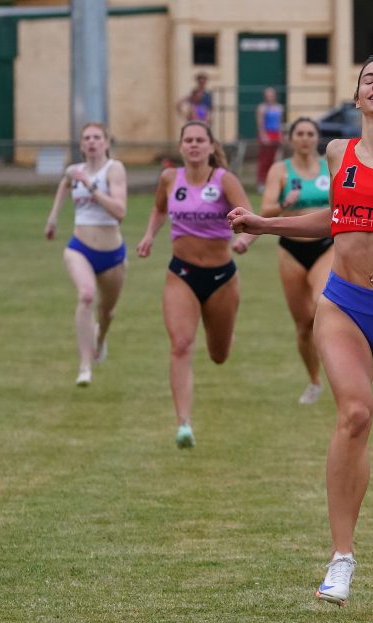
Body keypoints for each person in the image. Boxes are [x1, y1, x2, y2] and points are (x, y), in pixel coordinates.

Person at [229, 54, 373, 606]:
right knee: (355, 413)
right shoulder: (339, 152)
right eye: (369, 79)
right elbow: (334, 220)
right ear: (358, 97)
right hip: (341, 304)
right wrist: (266, 224)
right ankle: (341, 559)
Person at [137, 121, 255, 449]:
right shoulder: (168, 179)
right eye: (187, 140)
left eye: (199, 140)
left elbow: (250, 219)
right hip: (181, 274)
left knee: (219, 354)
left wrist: (244, 239)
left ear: (210, 146)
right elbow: (159, 208)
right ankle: (183, 424)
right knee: (181, 344)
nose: (193, 145)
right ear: (181, 146)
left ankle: (223, 335)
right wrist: (149, 235)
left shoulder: (224, 180)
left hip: (221, 278)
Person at [44, 122, 128, 387]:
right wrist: (53, 218)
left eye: (97, 137)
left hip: (112, 253)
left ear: (106, 142)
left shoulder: (114, 170)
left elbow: (120, 211)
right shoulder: (74, 171)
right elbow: (64, 185)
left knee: (107, 311)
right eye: (87, 138)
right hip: (79, 247)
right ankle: (84, 366)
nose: (92, 142)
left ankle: (100, 338)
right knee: (86, 295)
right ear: (81, 145)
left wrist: (91, 187)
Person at [260, 117, 334, 405]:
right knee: (303, 324)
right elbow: (266, 209)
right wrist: (285, 204)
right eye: (300, 133)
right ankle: (314, 381)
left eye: (310, 133)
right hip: (291, 249)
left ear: (317, 138)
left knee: (321, 303)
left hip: (327, 245)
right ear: (291, 139)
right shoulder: (281, 170)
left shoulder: (331, 167)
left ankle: (340, 368)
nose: (305, 138)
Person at [255, 86, 285, 193]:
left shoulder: (279, 108)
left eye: (271, 95)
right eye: (268, 95)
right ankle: (261, 183)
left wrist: (281, 135)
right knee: (264, 160)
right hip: (267, 134)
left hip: (276, 134)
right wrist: (263, 136)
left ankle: (275, 183)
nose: (270, 97)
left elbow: (280, 123)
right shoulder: (262, 108)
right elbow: (260, 123)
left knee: (276, 160)